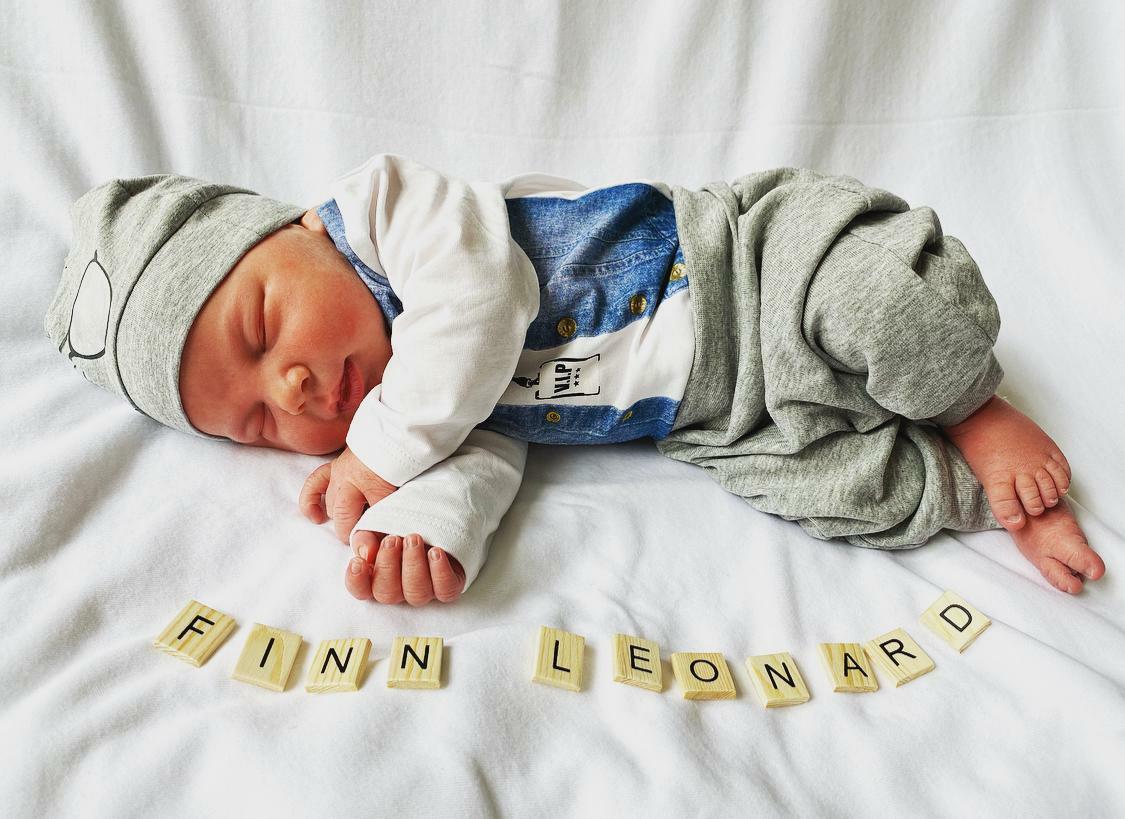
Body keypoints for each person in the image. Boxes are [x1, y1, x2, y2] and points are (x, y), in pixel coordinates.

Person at [45, 153, 1106, 606]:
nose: (291, 392)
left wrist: (377, 455)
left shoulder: (387, 211)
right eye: (254, 424)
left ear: (295, 230)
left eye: (261, 329)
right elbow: (483, 452)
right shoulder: (405, 419)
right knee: (839, 497)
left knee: (880, 300)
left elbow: (478, 312)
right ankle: (987, 497)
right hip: (716, 416)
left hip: (748, 268)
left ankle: (974, 408)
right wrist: (426, 526)